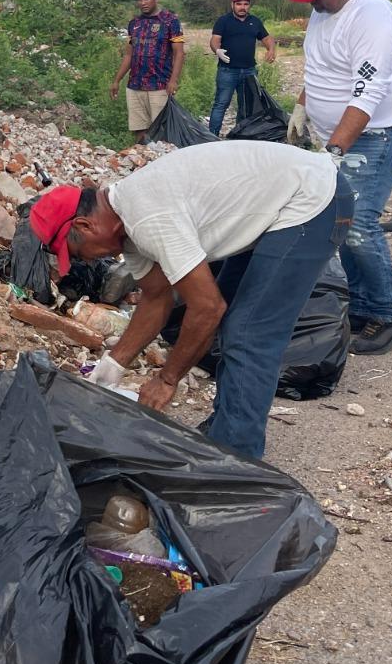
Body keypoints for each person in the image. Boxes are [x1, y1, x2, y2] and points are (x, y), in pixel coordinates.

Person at [34, 142, 352, 462]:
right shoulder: (127, 228)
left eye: (77, 253)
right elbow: (157, 298)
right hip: (282, 204)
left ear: (84, 226)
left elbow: (208, 308)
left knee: (248, 333)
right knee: (233, 324)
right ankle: (228, 428)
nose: (87, 261)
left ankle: (236, 462)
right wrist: (113, 365)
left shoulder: (146, 217)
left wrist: (167, 379)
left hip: (313, 200)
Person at [285, 0, 392, 356]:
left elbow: (367, 95)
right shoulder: (324, 11)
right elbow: (321, 67)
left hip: (384, 134)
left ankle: (386, 316)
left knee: (357, 222)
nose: (313, 1)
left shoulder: (374, 19)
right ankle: (362, 307)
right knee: (338, 221)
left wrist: (333, 151)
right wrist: (303, 105)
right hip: (343, 134)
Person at [109, 0, 184, 142]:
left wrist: (173, 80)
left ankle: (163, 163)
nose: (143, 3)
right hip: (135, 86)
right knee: (139, 131)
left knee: (161, 132)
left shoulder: (170, 21)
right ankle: (142, 161)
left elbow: (179, 53)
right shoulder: (134, 24)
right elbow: (129, 55)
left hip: (159, 86)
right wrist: (116, 81)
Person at [208, 0, 276, 135]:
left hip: (249, 71)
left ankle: (240, 135)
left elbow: (267, 38)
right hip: (227, 71)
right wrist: (217, 50)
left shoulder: (255, 21)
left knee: (246, 106)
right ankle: (211, 136)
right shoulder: (223, 21)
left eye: (245, 4)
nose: (242, 7)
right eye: (239, 4)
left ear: (249, 6)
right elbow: (214, 40)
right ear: (232, 4)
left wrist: (271, 49)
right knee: (221, 104)